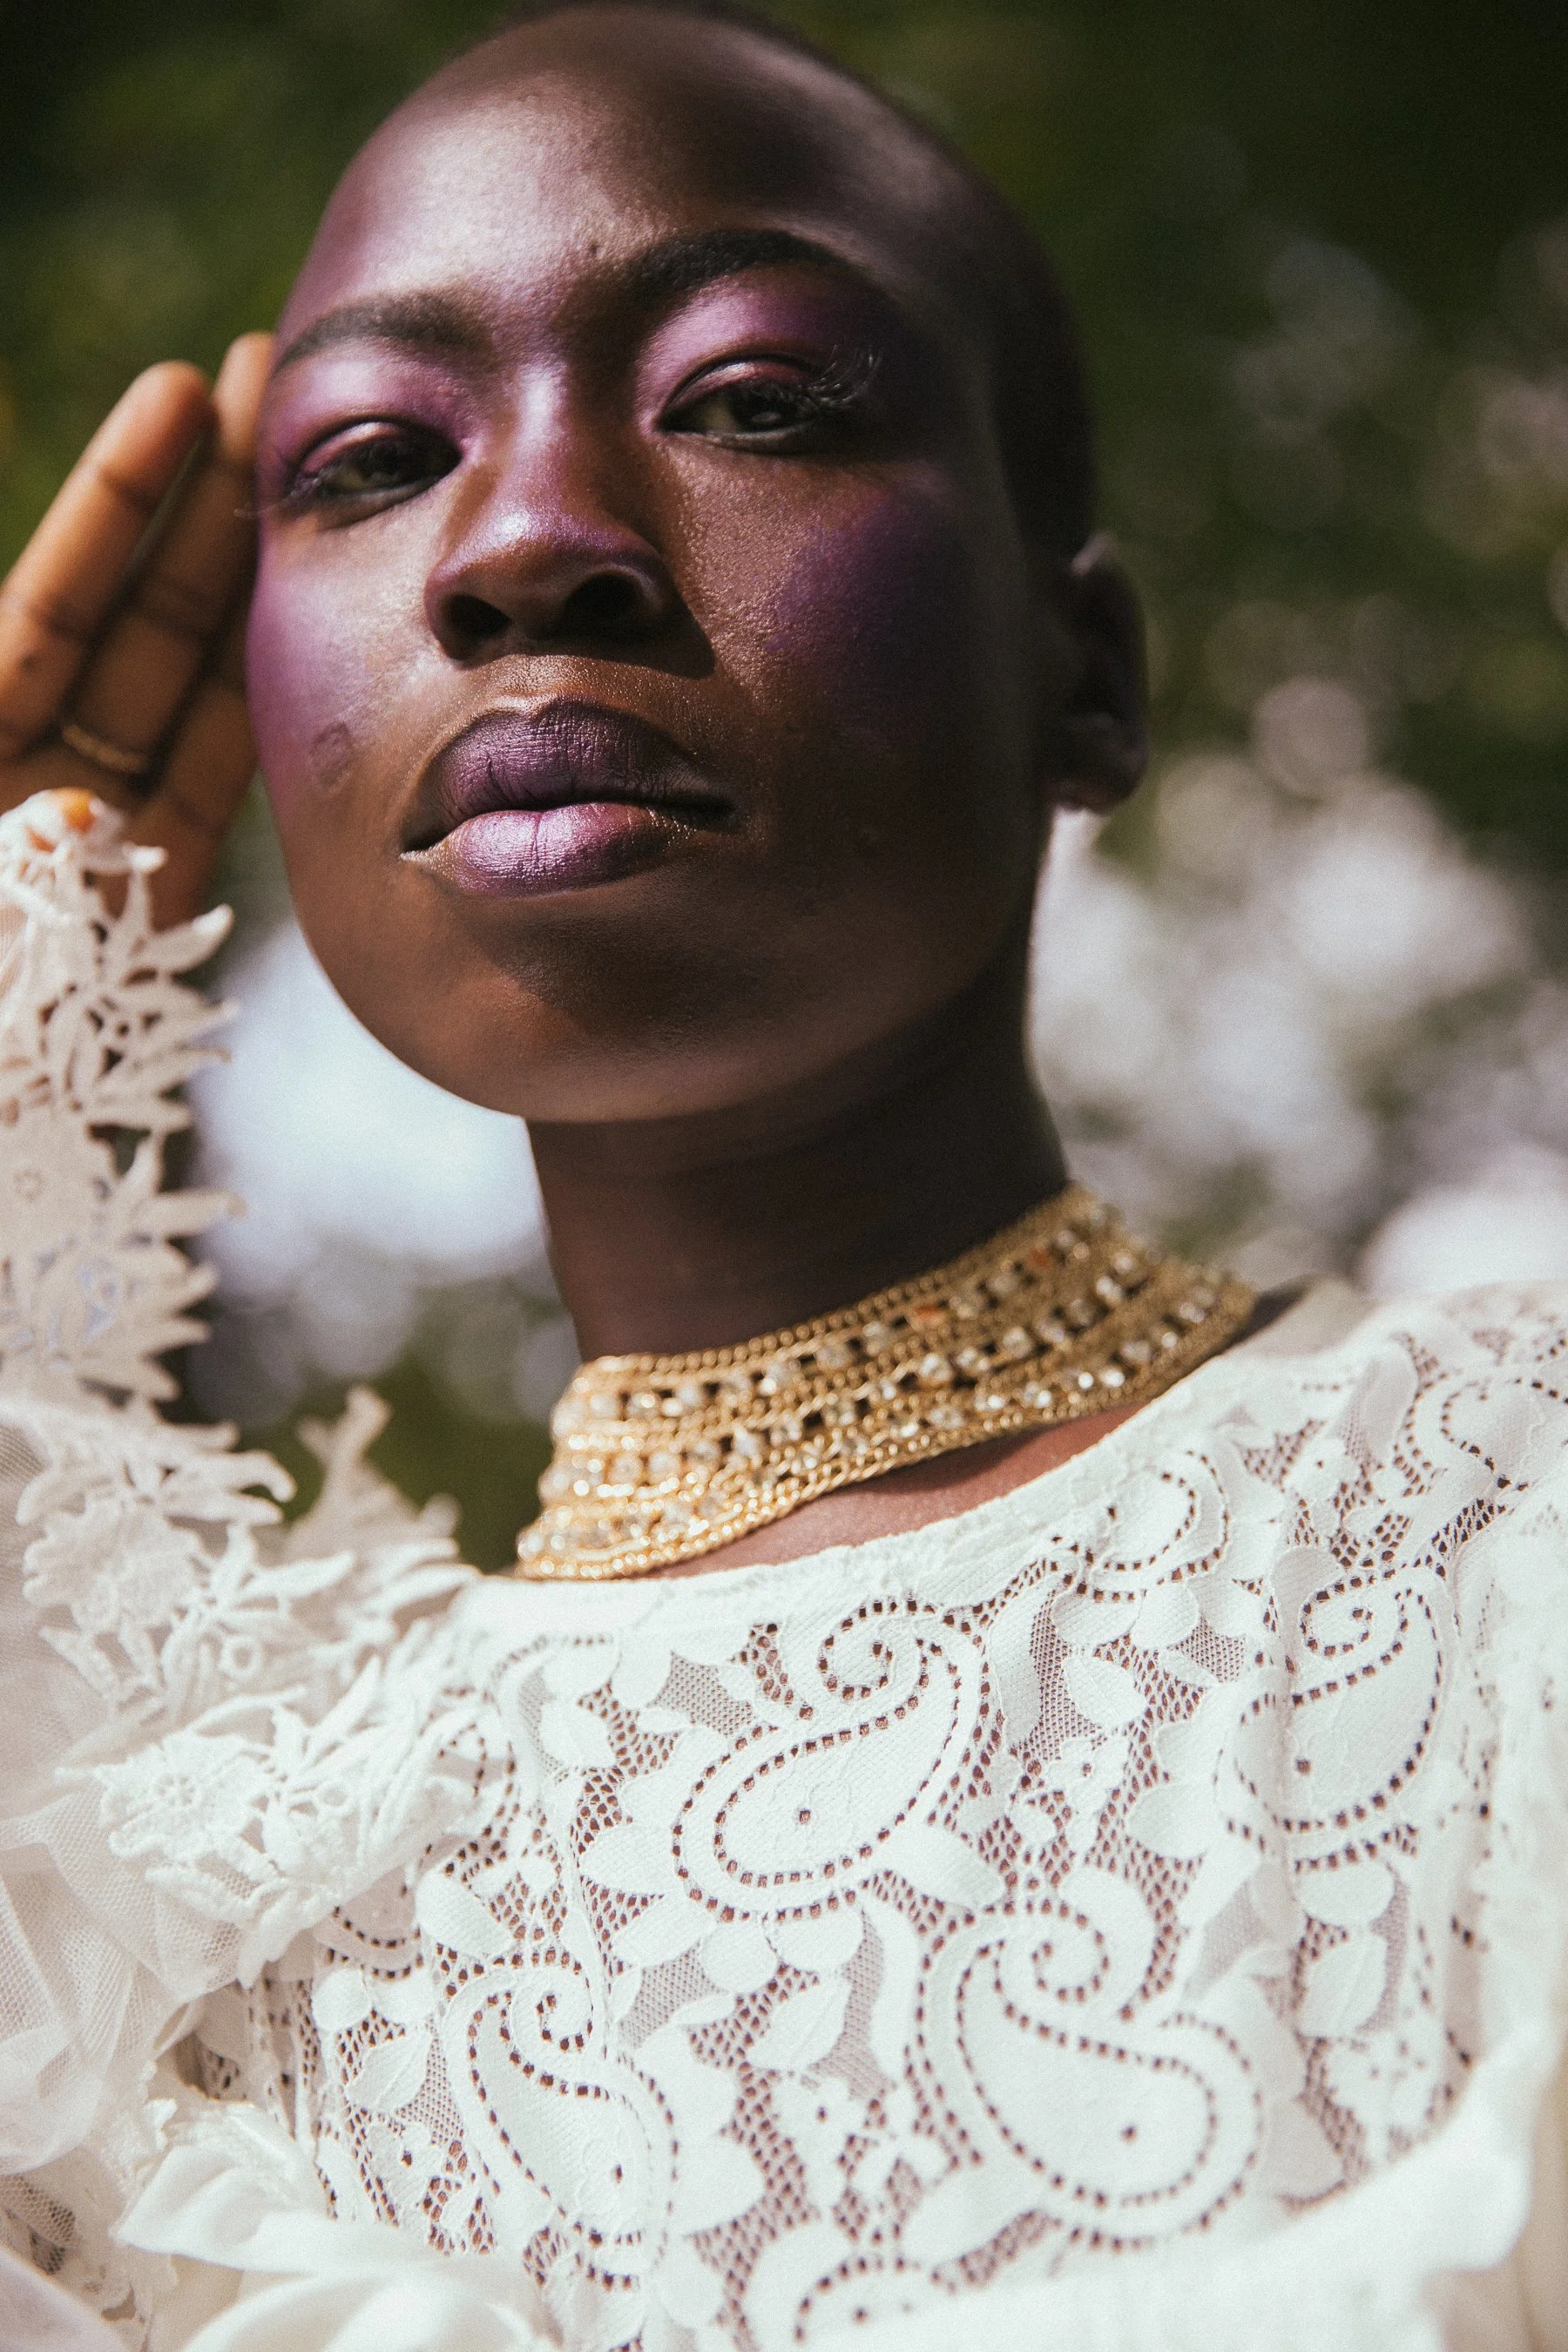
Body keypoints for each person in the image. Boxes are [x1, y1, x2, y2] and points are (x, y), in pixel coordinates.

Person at [0, 3, 1565, 2346]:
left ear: (1090, 673)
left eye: (750, 402)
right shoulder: (172, 1854)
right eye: (369, 456)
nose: (527, 543)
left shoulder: (1507, 1512)